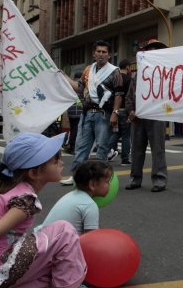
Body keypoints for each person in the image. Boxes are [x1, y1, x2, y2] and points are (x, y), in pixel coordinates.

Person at [0, 132, 98, 288]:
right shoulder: (24, 200)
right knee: (64, 230)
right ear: (33, 172)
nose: (62, 163)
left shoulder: (10, 190)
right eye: (55, 161)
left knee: (44, 244)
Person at [60, 40, 123, 185]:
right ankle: (77, 175)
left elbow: (119, 94)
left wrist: (115, 113)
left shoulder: (115, 71)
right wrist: (65, 77)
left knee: (102, 146)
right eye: (98, 52)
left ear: (109, 55)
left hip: (104, 114)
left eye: (104, 52)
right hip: (87, 113)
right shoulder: (88, 70)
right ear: (94, 54)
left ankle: (100, 178)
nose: (101, 54)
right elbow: (80, 88)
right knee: (81, 146)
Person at [125, 39, 169, 192]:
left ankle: (159, 180)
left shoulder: (166, 74)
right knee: (136, 149)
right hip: (138, 118)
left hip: (157, 117)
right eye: (150, 49)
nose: (153, 52)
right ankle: (135, 178)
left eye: (157, 49)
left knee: (158, 149)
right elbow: (130, 95)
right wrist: (130, 110)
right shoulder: (138, 75)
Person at [43, 160, 112, 234]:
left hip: (42, 239)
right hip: (53, 244)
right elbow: (92, 239)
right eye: (107, 181)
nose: (110, 185)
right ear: (93, 184)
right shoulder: (89, 205)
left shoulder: (71, 195)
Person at [106, 59, 132, 166]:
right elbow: (131, 95)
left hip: (115, 110)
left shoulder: (115, 78)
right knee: (126, 135)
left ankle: (105, 152)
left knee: (116, 133)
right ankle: (125, 159)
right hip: (125, 110)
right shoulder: (129, 79)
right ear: (127, 67)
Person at [64, 72, 84, 154]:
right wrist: (81, 105)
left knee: (72, 130)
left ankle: (70, 146)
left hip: (70, 111)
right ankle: (73, 148)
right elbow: (78, 99)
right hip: (78, 112)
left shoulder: (70, 85)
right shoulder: (79, 86)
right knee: (76, 131)